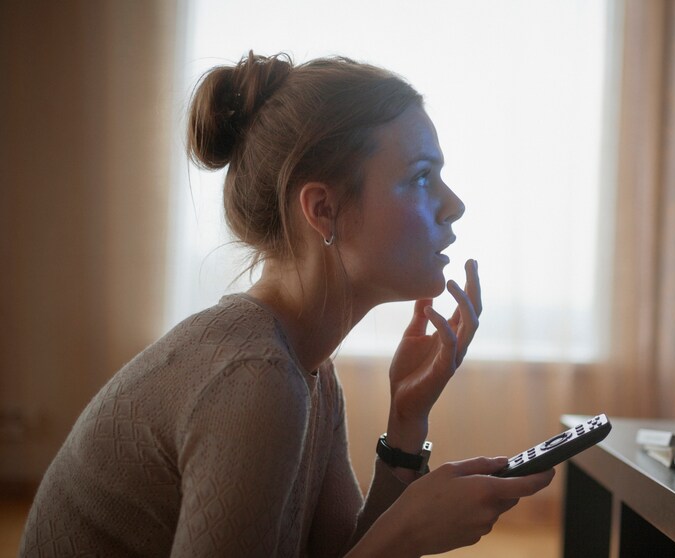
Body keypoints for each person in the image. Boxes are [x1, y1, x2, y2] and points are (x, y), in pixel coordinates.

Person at [19, 52, 554, 557]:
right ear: (323, 210)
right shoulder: (255, 377)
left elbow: (336, 553)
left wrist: (407, 422)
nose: (453, 205)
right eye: (420, 177)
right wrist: (407, 532)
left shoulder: (308, 371)